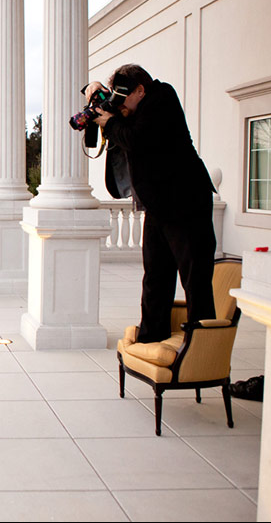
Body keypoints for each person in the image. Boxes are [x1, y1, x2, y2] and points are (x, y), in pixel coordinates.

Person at [89, 64, 216, 344]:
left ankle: (202, 349)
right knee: (155, 277)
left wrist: (109, 123)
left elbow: (137, 139)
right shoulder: (134, 109)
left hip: (187, 203)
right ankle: (151, 338)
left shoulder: (162, 97)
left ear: (140, 90)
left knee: (195, 279)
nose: (120, 105)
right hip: (159, 207)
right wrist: (96, 92)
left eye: (123, 98)